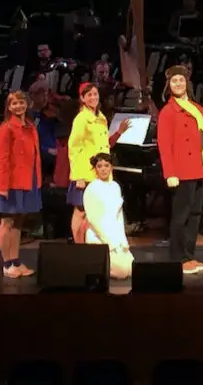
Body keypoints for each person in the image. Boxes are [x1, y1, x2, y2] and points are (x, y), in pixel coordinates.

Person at [158, 66, 203, 274]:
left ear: (187, 83)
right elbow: (164, 144)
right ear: (169, 85)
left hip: (198, 168)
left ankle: (189, 256)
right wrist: (170, 173)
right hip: (181, 171)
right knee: (180, 216)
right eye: (174, 81)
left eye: (181, 80)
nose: (178, 83)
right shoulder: (168, 111)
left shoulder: (197, 108)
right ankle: (178, 258)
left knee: (195, 215)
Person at [0, 91, 41, 279]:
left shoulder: (30, 126)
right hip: (11, 181)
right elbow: (2, 158)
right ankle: (6, 263)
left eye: (21, 102)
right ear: (8, 107)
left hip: (28, 179)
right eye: (14, 103)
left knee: (19, 221)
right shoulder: (6, 128)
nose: (18, 106)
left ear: (27, 104)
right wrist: (2, 185)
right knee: (7, 221)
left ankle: (15, 260)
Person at [67, 83, 110, 243]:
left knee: (94, 212)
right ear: (82, 98)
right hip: (85, 173)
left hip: (100, 173)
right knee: (80, 212)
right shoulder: (81, 118)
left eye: (95, 94)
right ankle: (79, 248)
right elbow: (74, 147)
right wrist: (78, 176)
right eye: (89, 95)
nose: (93, 97)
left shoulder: (101, 118)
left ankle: (90, 246)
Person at [83, 153, 134, 279]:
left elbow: (119, 217)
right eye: (99, 166)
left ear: (111, 167)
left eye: (106, 165)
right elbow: (93, 220)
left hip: (115, 235)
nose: (103, 169)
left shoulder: (115, 187)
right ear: (95, 169)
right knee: (121, 273)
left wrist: (122, 240)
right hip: (99, 237)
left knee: (132, 269)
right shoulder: (92, 188)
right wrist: (109, 243)